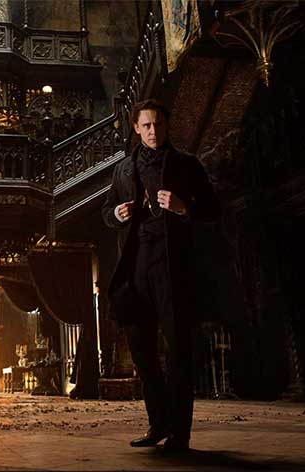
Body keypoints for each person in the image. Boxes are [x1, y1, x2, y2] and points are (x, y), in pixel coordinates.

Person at [101, 98, 220, 453]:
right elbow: (106, 210)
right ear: (136, 129)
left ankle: (180, 434)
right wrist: (117, 214)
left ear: (166, 127)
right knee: (141, 352)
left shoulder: (186, 164)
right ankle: (159, 424)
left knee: (179, 352)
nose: (154, 131)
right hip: (135, 267)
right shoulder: (123, 169)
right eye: (147, 126)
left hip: (172, 267)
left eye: (159, 125)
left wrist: (185, 207)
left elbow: (214, 208)